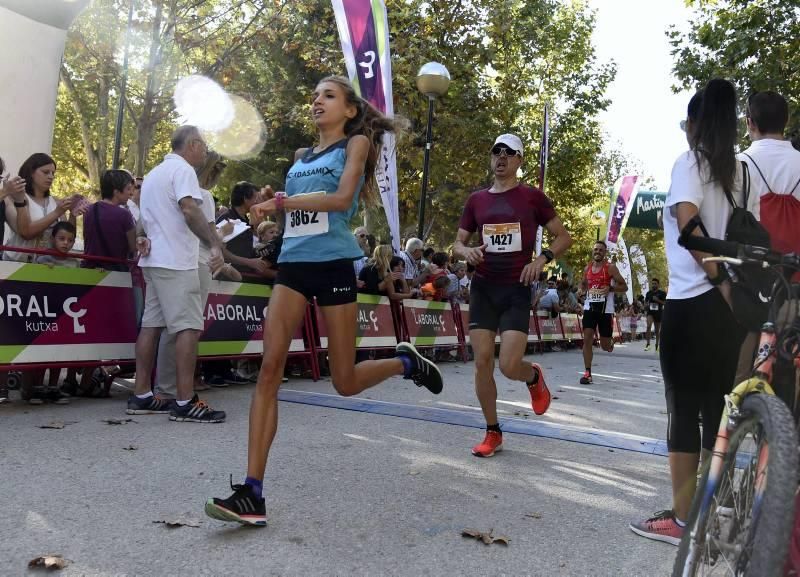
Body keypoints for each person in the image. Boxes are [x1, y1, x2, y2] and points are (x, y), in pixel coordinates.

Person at [204, 75, 443, 526]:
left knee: (344, 381)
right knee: (269, 370)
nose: (316, 101)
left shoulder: (355, 146)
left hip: (334, 264)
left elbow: (339, 199)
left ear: (350, 110)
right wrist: (276, 220)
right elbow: (296, 210)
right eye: (313, 95)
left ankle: (405, 364)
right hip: (294, 265)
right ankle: (252, 492)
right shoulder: (299, 158)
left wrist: (282, 204)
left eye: (328, 96)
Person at [629, 78, 751, 545]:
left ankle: (681, 521)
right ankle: (705, 507)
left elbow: (688, 224)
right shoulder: (743, 173)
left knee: (681, 409)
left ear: (696, 124)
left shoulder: (690, 163)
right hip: (730, 311)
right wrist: (733, 291)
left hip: (693, 300)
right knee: (714, 407)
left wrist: (717, 282)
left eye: (686, 122)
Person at [453, 133, 572, 458]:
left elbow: (564, 237)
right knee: (482, 362)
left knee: (508, 365)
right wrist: (467, 252)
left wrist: (542, 259)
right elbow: (458, 243)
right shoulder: (477, 200)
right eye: (496, 151)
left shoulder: (532, 198)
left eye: (509, 152)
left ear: (519, 160)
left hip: (516, 288)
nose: (501, 157)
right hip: (484, 288)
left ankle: (532, 376)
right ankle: (493, 432)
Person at [127, 125, 226, 422]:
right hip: (177, 261)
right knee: (188, 328)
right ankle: (184, 401)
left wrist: (142, 238)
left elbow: (143, 220)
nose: (205, 152)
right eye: (204, 146)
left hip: (154, 260)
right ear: (193, 144)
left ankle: (142, 394)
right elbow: (189, 209)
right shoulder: (183, 171)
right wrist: (212, 244)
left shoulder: (155, 174)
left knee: (152, 326)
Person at [735, 90, 800, 382]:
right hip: (795, 278)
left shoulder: (737, 165)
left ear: (750, 122)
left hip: (750, 279)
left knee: (742, 364)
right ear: (785, 121)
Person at [2, 153, 81, 263]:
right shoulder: (13, 198)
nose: (51, 176)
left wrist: (73, 213)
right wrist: (57, 212)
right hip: (15, 264)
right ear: (31, 173)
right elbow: (25, 233)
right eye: (45, 172)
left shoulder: (55, 201)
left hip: (47, 267)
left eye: (53, 173)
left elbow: (66, 236)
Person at [578, 240, 627, 385]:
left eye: (600, 250)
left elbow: (624, 286)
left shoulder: (610, 268)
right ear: (593, 252)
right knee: (587, 338)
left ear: (604, 253)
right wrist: (581, 289)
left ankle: (610, 343)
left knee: (605, 346)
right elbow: (583, 283)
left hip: (606, 310)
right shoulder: (587, 268)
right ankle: (587, 373)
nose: (597, 252)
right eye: (595, 249)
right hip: (590, 308)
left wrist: (611, 289)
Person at [83, 169, 137, 270]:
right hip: (114, 272)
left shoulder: (89, 210)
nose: (131, 193)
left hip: (89, 269)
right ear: (116, 192)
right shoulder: (124, 215)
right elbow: (133, 246)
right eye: (128, 189)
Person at [216, 181, 271, 278]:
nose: (258, 202)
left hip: (245, 276)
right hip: (227, 278)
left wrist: (259, 250)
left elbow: (242, 249)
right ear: (245, 198)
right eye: (255, 198)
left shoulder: (247, 221)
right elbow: (218, 251)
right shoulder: (227, 219)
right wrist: (249, 262)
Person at [644, 278, 666, 351]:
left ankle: (657, 344)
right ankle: (648, 344)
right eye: (652, 283)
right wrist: (646, 305)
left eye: (655, 284)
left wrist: (657, 300)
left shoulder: (662, 293)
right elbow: (645, 303)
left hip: (658, 313)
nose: (653, 285)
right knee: (648, 326)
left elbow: (665, 303)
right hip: (650, 312)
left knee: (657, 330)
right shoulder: (648, 293)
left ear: (658, 285)